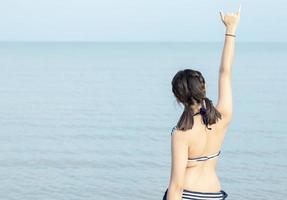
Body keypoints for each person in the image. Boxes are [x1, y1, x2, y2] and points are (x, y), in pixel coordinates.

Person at [163, 5, 241, 200]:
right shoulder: (222, 116)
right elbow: (225, 73)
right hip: (214, 194)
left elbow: (176, 185)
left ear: (178, 97)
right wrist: (230, 30)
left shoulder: (181, 133)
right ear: (203, 88)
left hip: (188, 194)